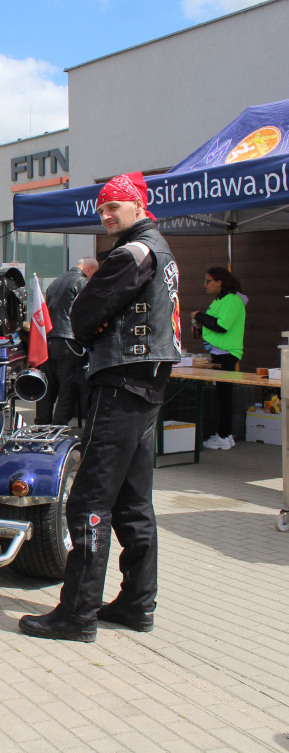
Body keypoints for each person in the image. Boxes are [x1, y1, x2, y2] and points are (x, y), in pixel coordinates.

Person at [19, 172, 181, 643]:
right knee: (133, 500)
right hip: (147, 382)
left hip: (120, 379)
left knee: (90, 501)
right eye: (103, 208)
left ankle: (77, 613)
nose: (107, 215)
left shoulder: (132, 252)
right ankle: (136, 603)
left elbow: (84, 316)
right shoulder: (160, 250)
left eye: (115, 207)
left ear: (138, 207)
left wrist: (92, 282)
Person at [37, 257, 100, 425]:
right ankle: (58, 428)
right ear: (91, 267)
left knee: (48, 387)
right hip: (69, 341)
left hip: (49, 340)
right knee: (67, 388)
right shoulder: (81, 282)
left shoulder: (54, 283)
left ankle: (42, 424)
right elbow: (87, 311)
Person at [193, 267, 247, 450]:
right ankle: (226, 434)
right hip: (219, 351)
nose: (205, 285)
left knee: (224, 395)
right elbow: (213, 322)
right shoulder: (220, 300)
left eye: (208, 281)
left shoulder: (232, 300)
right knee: (222, 395)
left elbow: (222, 326)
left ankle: (224, 435)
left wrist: (199, 316)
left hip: (227, 353)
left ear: (219, 282)